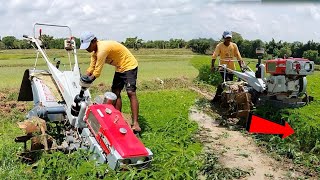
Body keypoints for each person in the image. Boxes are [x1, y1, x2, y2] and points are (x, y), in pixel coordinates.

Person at [79, 32, 141, 132]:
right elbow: (91, 68)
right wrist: (83, 78)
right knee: (115, 93)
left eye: (88, 46)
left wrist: (88, 81)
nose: (87, 49)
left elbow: (97, 72)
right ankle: (118, 117)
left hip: (129, 65)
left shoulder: (102, 49)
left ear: (94, 41)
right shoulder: (94, 53)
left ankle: (136, 123)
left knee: (131, 92)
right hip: (119, 67)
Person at [211, 31, 244, 103]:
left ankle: (226, 98)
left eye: (229, 38)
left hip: (231, 68)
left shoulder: (234, 45)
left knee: (229, 83)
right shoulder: (219, 46)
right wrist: (212, 66)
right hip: (223, 68)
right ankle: (217, 98)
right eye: (227, 38)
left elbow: (238, 56)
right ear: (223, 38)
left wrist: (241, 66)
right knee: (227, 81)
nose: (228, 39)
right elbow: (214, 56)